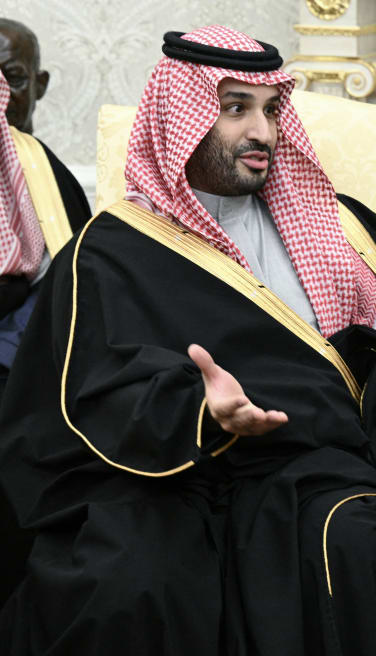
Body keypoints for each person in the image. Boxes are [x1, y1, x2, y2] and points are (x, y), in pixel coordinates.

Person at [0, 25, 376, 655]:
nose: (262, 131)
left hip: (309, 470)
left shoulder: (335, 229)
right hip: (165, 476)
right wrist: (201, 411)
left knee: (354, 548)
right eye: (235, 109)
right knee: (127, 579)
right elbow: (85, 397)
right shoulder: (110, 251)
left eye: (272, 109)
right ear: (180, 119)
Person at [0, 24, 91, 601]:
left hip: (38, 383)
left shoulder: (54, 179)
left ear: (40, 84)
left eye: (11, 78)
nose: (2, 97)